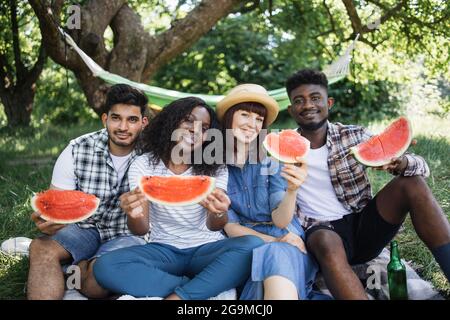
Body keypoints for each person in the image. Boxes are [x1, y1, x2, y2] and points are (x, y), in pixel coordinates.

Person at [285, 69, 450, 299]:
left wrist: (400, 163)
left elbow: (422, 166)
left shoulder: (353, 135)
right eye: (299, 101)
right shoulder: (281, 149)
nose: (307, 105)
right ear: (291, 110)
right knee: (324, 241)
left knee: (413, 184)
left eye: (315, 98)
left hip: (364, 226)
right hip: (322, 232)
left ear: (328, 103)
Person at [92, 97, 264, 299]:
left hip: (206, 249)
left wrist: (219, 212)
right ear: (171, 122)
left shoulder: (215, 167)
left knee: (253, 246)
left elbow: (215, 226)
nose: (195, 130)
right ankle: (197, 287)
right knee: (105, 266)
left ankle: (179, 297)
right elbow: (141, 229)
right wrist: (134, 212)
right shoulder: (143, 164)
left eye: (204, 127)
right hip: (164, 251)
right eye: (188, 120)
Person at [27, 84, 150, 300]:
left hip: (127, 234)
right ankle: (75, 263)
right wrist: (50, 221)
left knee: (96, 285)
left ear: (143, 122)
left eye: (132, 119)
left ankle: (80, 266)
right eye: (116, 118)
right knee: (40, 248)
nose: (123, 127)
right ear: (105, 119)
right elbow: (57, 205)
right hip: (84, 229)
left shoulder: (152, 155)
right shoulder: (77, 149)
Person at [216, 84, 329, 300]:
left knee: (276, 256)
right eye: (245, 115)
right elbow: (230, 226)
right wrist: (273, 242)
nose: (252, 124)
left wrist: (292, 191)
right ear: (229, 117)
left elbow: (280, 220)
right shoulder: (216, 169)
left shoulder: (271, 162)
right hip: (250, 244)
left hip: (288, 239)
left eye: (259, 119)